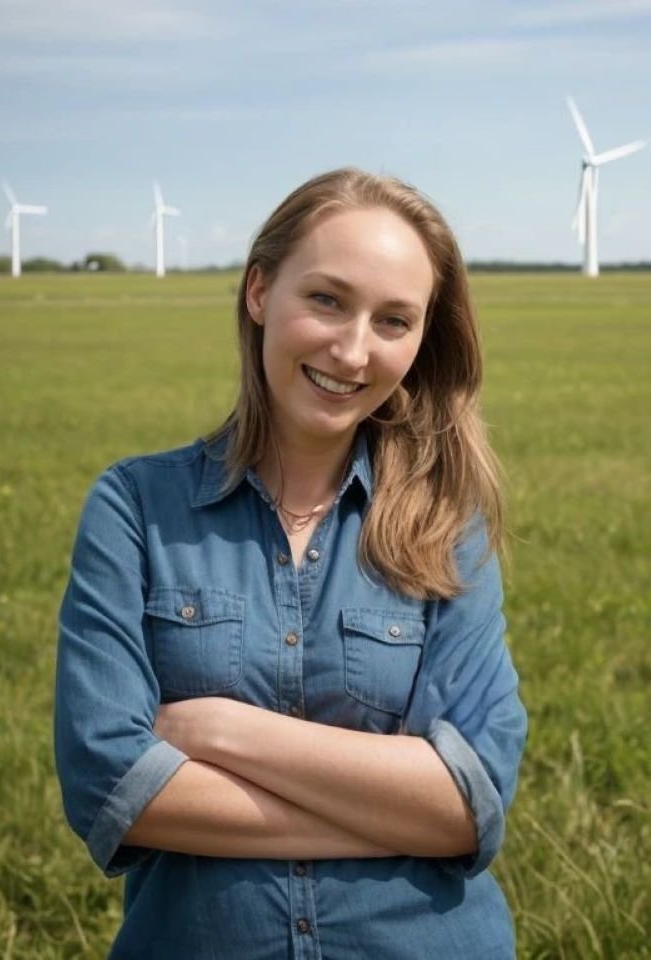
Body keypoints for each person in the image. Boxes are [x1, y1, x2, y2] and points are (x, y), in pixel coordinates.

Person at [55, 167, 527, 959]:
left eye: (394, 320)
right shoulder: (135, 508)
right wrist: (397, 814)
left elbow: (468, 802)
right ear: (258, 291)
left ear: (421, 340)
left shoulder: (448, 525)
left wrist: (222, 729)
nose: (353, 350)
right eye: (327, 300)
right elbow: (112, 788)